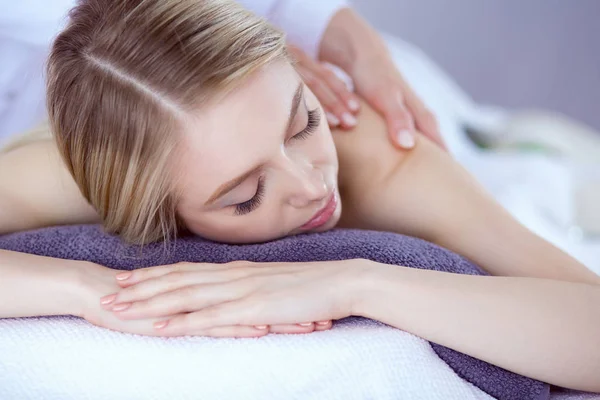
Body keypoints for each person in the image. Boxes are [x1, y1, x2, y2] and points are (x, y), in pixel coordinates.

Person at [0, 0, 599, 392]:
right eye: (245, 195)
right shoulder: (70, 174)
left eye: (301, 125)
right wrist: (85, 289)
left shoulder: (382, 162)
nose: (313, 187)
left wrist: (358, 282)